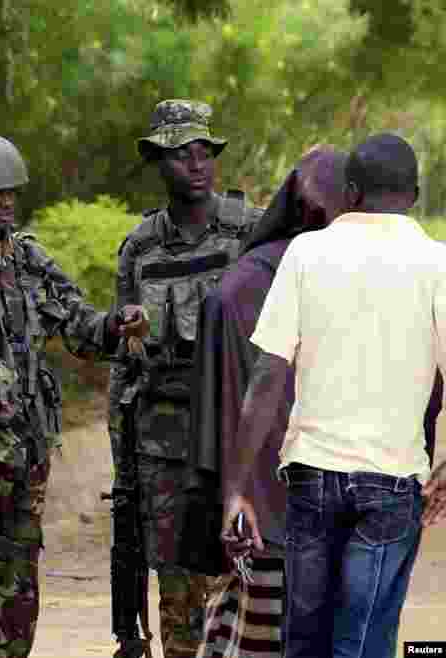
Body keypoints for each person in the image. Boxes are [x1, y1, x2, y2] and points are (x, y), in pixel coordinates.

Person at [0, 131, 146, 658]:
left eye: (12, 190)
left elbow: (80, 326)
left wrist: (115, 325)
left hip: (23, 462)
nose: (8, 201)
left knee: (13, 600)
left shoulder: (30, 259)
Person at [225, 133, 446, 658]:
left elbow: (266, 377)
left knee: (304, 641)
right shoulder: (438, 263)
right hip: (391, 483)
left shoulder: (305, 252)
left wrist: (236, 489)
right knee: (362, 639)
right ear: (414, 195)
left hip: (310, 480)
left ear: (350, 191)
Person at [108, 99, 262, 658]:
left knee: (249, 580)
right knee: (176, 587)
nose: (196, 165)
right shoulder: (140, 249)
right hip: (164, 440)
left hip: (237, 435)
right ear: (158, 163)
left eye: (205, 153)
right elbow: (125, 359)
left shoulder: (250, 231)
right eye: (181, 155)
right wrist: (122, 458)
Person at [185, 146, 348, 658]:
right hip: (278, 504)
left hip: (295, 498)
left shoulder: (337, 273)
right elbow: (235, 399)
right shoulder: (246, 288)